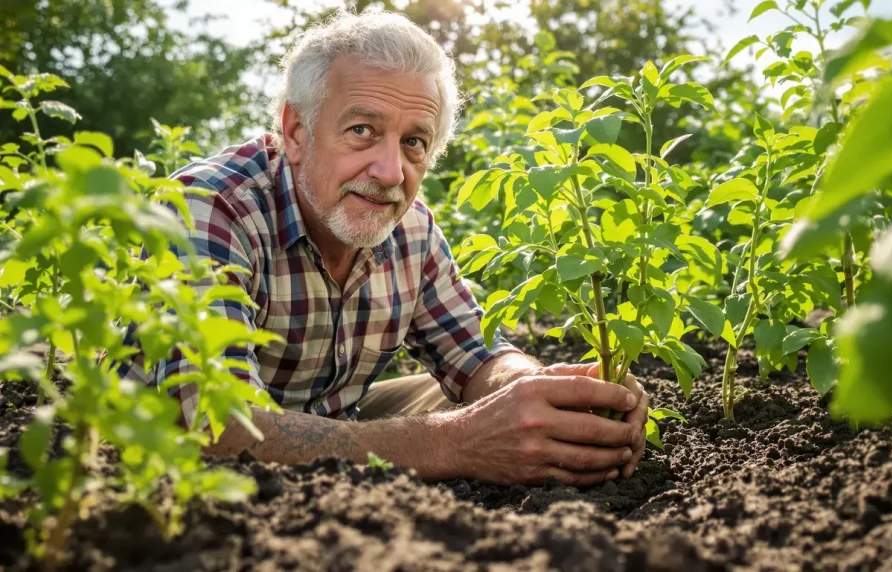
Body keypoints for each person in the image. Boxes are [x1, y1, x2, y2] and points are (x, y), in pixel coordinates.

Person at [119, 9, 649, 487]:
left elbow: (475, 356)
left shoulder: (408, 227)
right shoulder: (211, 209)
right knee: (463, 425)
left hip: (333, 431)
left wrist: (560, 396)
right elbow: (215, 427)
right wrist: (457, 442)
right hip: (155, 463)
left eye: (413, 142)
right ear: (296, 131)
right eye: (362, 130)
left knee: (503, 405)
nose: (391, 172)